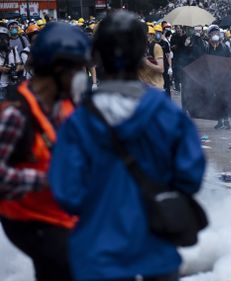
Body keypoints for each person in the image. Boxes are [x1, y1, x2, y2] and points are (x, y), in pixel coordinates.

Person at [49, 11, 206, 281]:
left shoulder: (78, 121)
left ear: (96, 57)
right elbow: (190, 176)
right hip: (156, 251)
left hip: (98, 254)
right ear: (140, 57)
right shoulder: (168, 114)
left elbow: (66, 192)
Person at [0, 22, 91, 281]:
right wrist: (47, 180)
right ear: (58, 69)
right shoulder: (15, 114)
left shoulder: (64, 104)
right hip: (28, 218)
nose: (81, 75)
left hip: (60, 209)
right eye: (76, 69)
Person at [205, 24, 231, 130]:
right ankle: (219, 121)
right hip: (212, 78)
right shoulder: (207, 48)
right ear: (210, 35)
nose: (215, 34)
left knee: (224, 100)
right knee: (215, 100)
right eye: (213, 33)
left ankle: (226, 120)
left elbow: (230, 62)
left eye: (217, 33)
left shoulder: (225, 47)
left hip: (223, 78)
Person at [139, 25, 165, 90]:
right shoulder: (136, 48)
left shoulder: (156, 47)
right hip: (141, 88)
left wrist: (147, 62)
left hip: (155, 87)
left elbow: (161, 69)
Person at [0, 25, 22, 100]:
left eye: (4, 38)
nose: (2, 41)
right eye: (0, 38)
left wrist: (16, 69)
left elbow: (18, 63)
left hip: (12, 84)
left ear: (8, 39)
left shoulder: (13, 50)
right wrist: (1, 68)